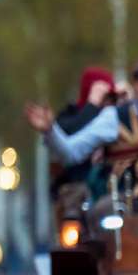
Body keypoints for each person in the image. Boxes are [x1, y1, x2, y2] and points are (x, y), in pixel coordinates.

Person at [25, 56, 138, 214]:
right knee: (103, 211)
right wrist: (50, 130)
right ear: (135, 85)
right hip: (126, 198)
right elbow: (72, 152)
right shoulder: (113, 118)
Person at [50, 67, 117, 217]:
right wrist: (92, 106)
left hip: (113, 189)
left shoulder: (117, 119)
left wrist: (128, 100)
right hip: (77, 187)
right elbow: (67, 141)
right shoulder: (68, 116)